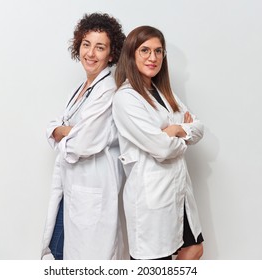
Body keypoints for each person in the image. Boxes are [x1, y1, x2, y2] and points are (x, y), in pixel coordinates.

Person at [112, 25, 204, 260]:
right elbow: (161, 148)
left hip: (178, 191)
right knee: (153, 263)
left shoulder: (164, 93)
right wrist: (180, 133)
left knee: (193, 249)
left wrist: (174, 130)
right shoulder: (126, 98)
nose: (153, 57)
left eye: (158, 51)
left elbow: (199, 128)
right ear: (131, 54)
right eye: (145, 50)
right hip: (151, 196)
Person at [41, 13, 126, 260]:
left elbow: (82, 143)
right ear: (78, 46)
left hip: (92, 189)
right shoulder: (81, 88)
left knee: (85, 261)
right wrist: (62, 130)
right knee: (58, 253)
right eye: (86, 44)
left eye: (100, 47)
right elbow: (54, 126)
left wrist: (64, 131)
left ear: (111, 54)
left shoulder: (108, 89)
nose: (91, 53)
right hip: (71, 190)